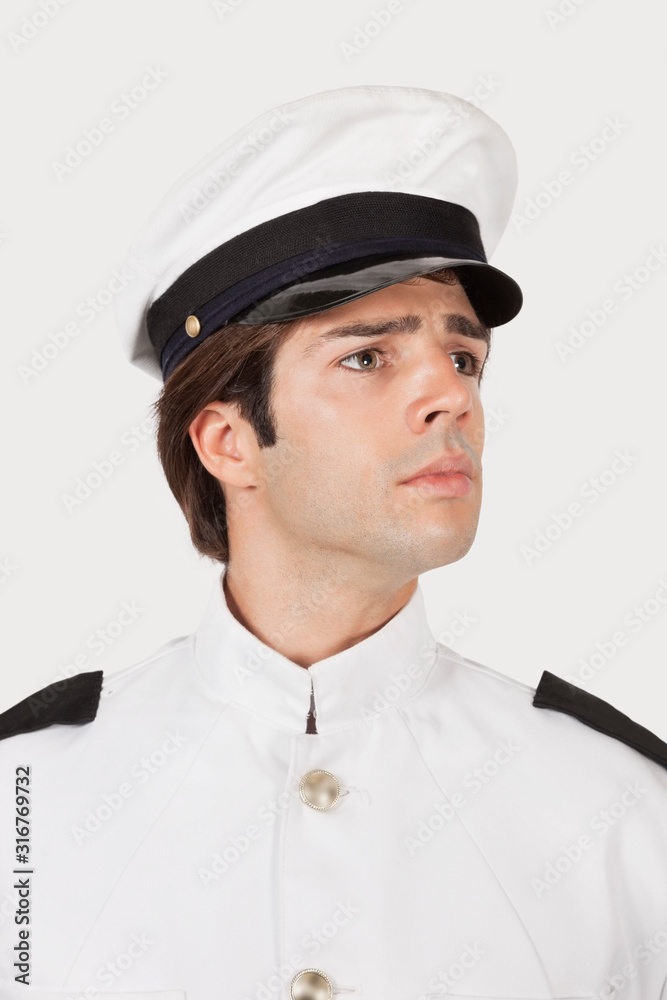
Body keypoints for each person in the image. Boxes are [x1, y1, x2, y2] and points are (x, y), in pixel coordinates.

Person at [1, 84, 666, 1000]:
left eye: (463, 357)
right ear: (228, 440)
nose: (454, 398)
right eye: (367, 356)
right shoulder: (24, 805)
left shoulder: (622, 811)